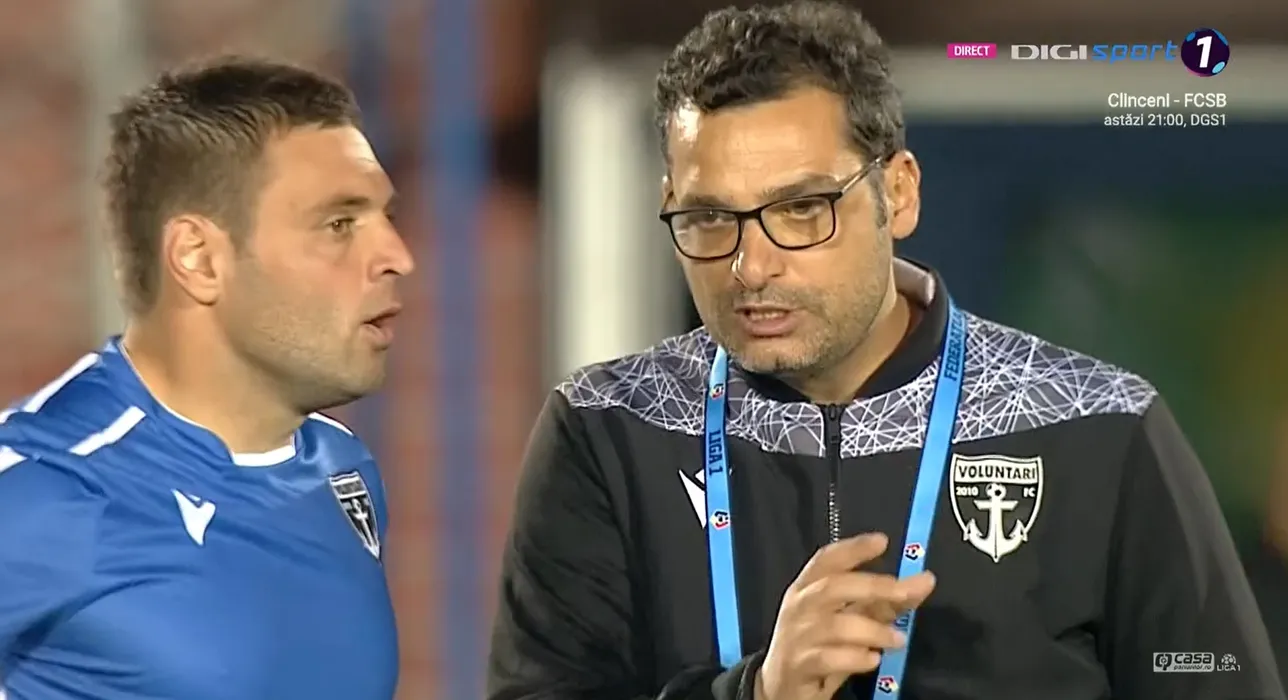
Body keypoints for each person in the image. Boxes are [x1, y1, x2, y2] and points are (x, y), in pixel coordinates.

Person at [485, 3, 1284, 700]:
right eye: (709, 218)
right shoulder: (606, 432)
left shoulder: (1102, 427)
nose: (750, 266)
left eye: (801, 209)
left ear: (897, 194)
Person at [0, 56, 413, 700]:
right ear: (199, 259)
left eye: (387, 218)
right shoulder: (42, 483)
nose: (396, 256)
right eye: (340, 225)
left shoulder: (343, 470)